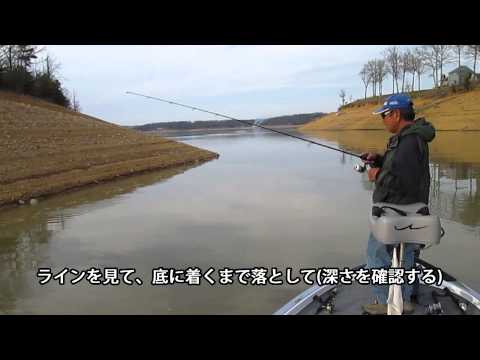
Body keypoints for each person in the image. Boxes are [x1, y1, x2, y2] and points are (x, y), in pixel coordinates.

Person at [361, 94, 436, 315]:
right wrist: (378, 160)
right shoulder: (408, 138)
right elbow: (400, 167)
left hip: (397, 212)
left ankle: (387, 303)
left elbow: (403, 180)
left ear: (395, 114)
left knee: (376, 257)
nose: (382, 120)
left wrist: (376, 174)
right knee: (407, 257)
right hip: (411, 211)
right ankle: (405, 298)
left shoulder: (409, 141)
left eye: (384, 115)